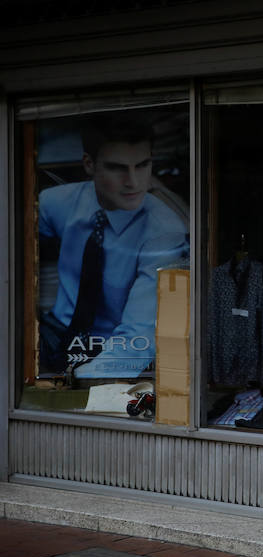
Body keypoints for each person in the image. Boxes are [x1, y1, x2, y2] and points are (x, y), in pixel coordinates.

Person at [38, 115, 189, 379]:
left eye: (142, 165)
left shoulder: (163, 233)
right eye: (117, 168)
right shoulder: (56, 203)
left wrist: (74, 383)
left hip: (107, 349)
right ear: (89, 164)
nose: (133, 182)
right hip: (51, 333)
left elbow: (137, 338)